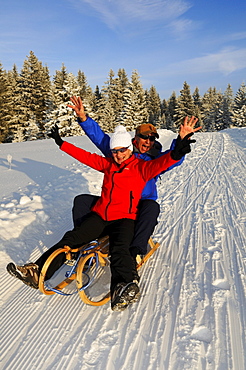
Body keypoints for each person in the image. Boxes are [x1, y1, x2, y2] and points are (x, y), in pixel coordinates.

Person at [6, 118, 200, 311]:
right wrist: (61, 143)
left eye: (122, 150)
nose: (118, 155)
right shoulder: (108, 164)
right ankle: (38, 271)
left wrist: (179, 145)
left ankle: (124, 285)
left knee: (120, 249)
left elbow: (167, 161)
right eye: (115, 151)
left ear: (129, 149)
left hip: (125, 218)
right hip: (101, 216)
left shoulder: (143, 168)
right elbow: (86, 156)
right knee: (72, 237)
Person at [67, 97, 189, 273]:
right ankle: (83, 243)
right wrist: (84, 119)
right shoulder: (121, 150)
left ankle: (136, 250)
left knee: (151, 207)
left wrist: (181, 140)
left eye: (152, 139)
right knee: (82, 201)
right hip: (117, 202)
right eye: (144, 138)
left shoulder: (154, 159)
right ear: (135, 139)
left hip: (140, 203)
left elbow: (173, 159)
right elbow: (100, 138)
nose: (148, 142)